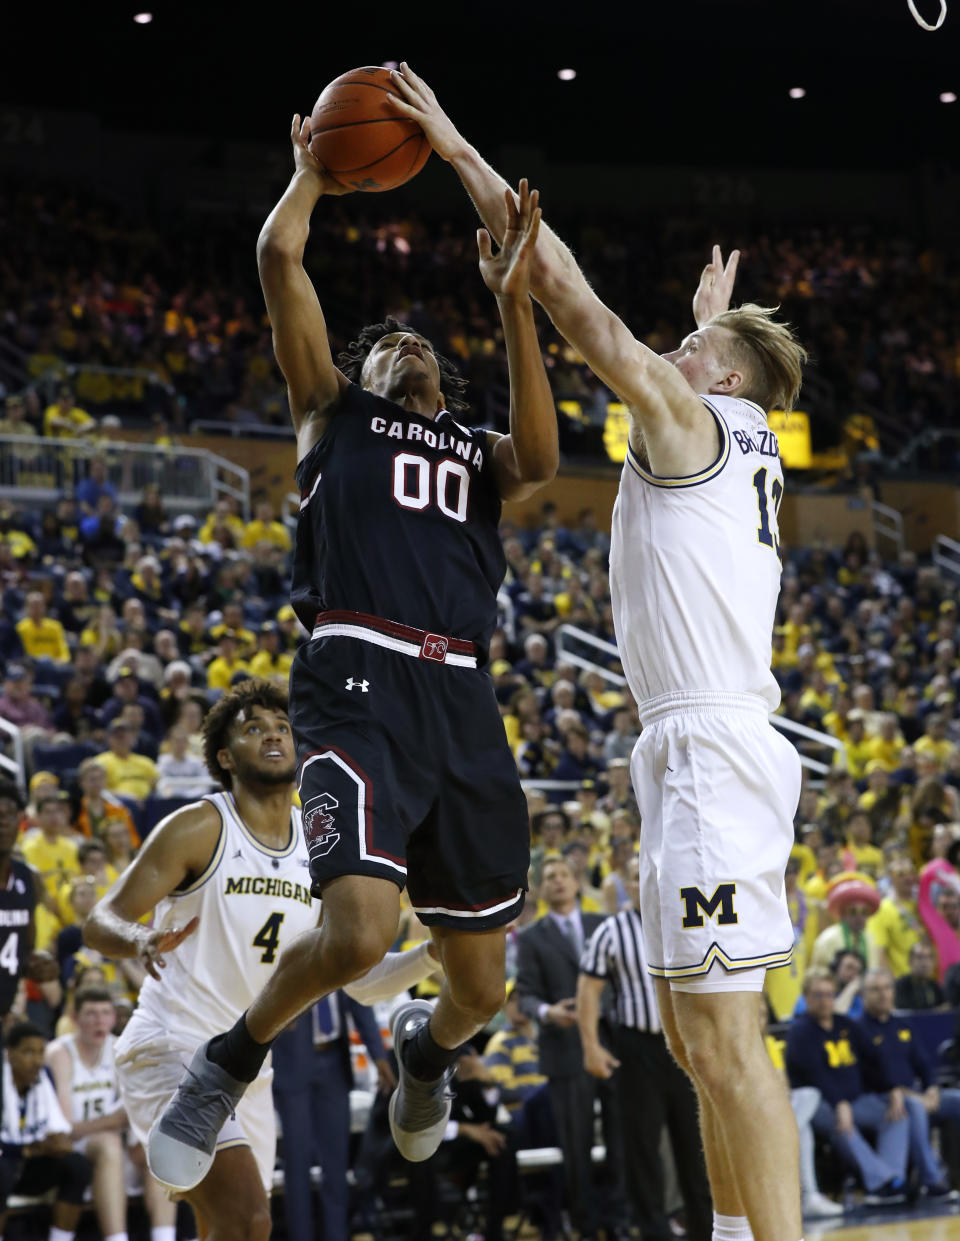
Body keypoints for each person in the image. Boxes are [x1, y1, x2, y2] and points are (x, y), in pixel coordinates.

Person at [386, 64, 808, 1241]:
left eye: (693, 345)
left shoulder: (696, 421)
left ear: (721, 378)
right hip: (684, 745)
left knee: (726, 1039)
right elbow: (685, 352)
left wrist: (464, 155)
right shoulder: (728, 423)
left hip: (714, 745)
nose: (672, 352)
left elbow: (581, 309)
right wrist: (716, 309)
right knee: (686, 1034)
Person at [148, 112, 557, 1188]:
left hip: (462, 691)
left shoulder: (474, 449)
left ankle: (425, 1055)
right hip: (359, 674)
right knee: (364, 928)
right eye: (387, 341)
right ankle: (230, 1056)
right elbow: (279, 257)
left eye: (422, 342)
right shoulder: (333, 415)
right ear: (362, 369)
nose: (406, 342)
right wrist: (309, 178)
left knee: (484, 985)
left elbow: (547, 457)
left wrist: (512, 302)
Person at [84, 680, 440, 1238]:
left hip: (247, 1069)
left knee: (233, 1227)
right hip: (171, 1044)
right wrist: (139, 939)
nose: (273, 735)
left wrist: (429, 955)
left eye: (282, 726)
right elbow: (97, 922)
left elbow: (358, 981)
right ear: (225, 757)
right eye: (254, 729)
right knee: (247, 1219)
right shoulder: (200, 826)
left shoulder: (320, 845)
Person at [578, 856, 712, 1241]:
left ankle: (705, 1230)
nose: (646, 883)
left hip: (686, 1049)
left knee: (696, 1145)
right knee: (642, 1150)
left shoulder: (688, 920)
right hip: (636, 1050)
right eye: (638, 878)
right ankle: (655, 1232)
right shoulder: (611, 931)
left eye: (652, 875)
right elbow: (589, 989)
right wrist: (590, 1046)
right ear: (627, 884)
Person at [515, 856, 609, 1240]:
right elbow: (525, 998)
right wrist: (549, 1011)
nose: (558, 882)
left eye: (565, 875)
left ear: (578, 882)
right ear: (540, 886)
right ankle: (585, 1226)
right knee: (577, 1147)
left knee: (623, 1141)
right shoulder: (531, 936)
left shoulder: (601, 925)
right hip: (565, 1050)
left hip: (612, 1043)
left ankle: (620, 1221)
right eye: (550, 877)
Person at [45, 987, 175, 1241]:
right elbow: (66, 1128)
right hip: (69, 1148)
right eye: (91, 1013)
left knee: (154, 1150)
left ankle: (165, 1236)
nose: (99, 1020)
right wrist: (111, 1122)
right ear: (75, 1019)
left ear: (114, 1019)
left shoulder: (119, 1049)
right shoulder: (59, 1053)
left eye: (105, 1013)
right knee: (109, 1143)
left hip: (108, 1142)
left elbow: (136, 1112)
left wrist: (120, 1124)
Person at [785, 969, 907, 1203]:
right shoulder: (800, 1032)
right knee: (841, 1123)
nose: (824, 1000)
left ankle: (892, 1180)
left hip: (856, 1100)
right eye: (817, 995)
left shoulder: (846, 1025)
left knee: (898, 1113)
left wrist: (893, 1088)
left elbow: (874, 1061)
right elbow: (816, 1075)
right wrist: (840, 1102)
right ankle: (881, 1183)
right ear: (806, 998)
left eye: (829, 994)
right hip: (820, 1105)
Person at [856, 967, 958, 1199]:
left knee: (956, 1100)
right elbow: (871, 1078)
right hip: (885, 1098)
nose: (883, 994)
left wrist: (932, 1088)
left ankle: (955, 1175)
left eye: (887, 988)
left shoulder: (902, 1025)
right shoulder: (859, 1030)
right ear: (864, 995)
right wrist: (915, 1096)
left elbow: (923, 1064)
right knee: (915, 1108)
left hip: (918, 1094)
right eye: (875, 990)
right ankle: (932, 1181)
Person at [0, 1022, 92, 1241]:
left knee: (77, 1165)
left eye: (41, 1052)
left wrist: (55, 1144)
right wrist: (29, 1149)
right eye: (28, 1052)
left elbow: (58, 1131)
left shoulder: (43, 1079)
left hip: (27, 1166)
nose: (37, 1061)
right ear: (10, 1054)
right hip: (6, 1164)